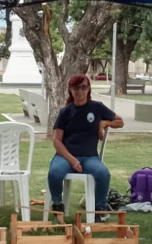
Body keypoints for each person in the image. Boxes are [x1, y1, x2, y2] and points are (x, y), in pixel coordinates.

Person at [47, 74, 124, 221]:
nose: (80, 91)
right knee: (54, 173)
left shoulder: (97, 107)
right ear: (70, 90)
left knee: (103, 174)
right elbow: (57, 141)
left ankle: (99, 210)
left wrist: (103, 123)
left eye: (83, 87)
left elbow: (119, 122)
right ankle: (57, 205)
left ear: (88, 89)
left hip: (89, 157)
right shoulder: (65, 112)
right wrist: (71, 160)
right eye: (76, 87)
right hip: (66, 156)